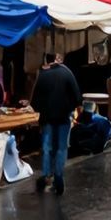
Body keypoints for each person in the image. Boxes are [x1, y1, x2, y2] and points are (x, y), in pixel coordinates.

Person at [30, 53, 81, 195]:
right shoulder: (67, 73)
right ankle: (58, 175)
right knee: (61, 148)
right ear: (58, 59)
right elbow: (77, 97)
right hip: (64, 118)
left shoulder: (43, 75)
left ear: (46, 60)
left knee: (47, 148)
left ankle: (47, 174)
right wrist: (69, 108)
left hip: (47, 119)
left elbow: (34, 102)